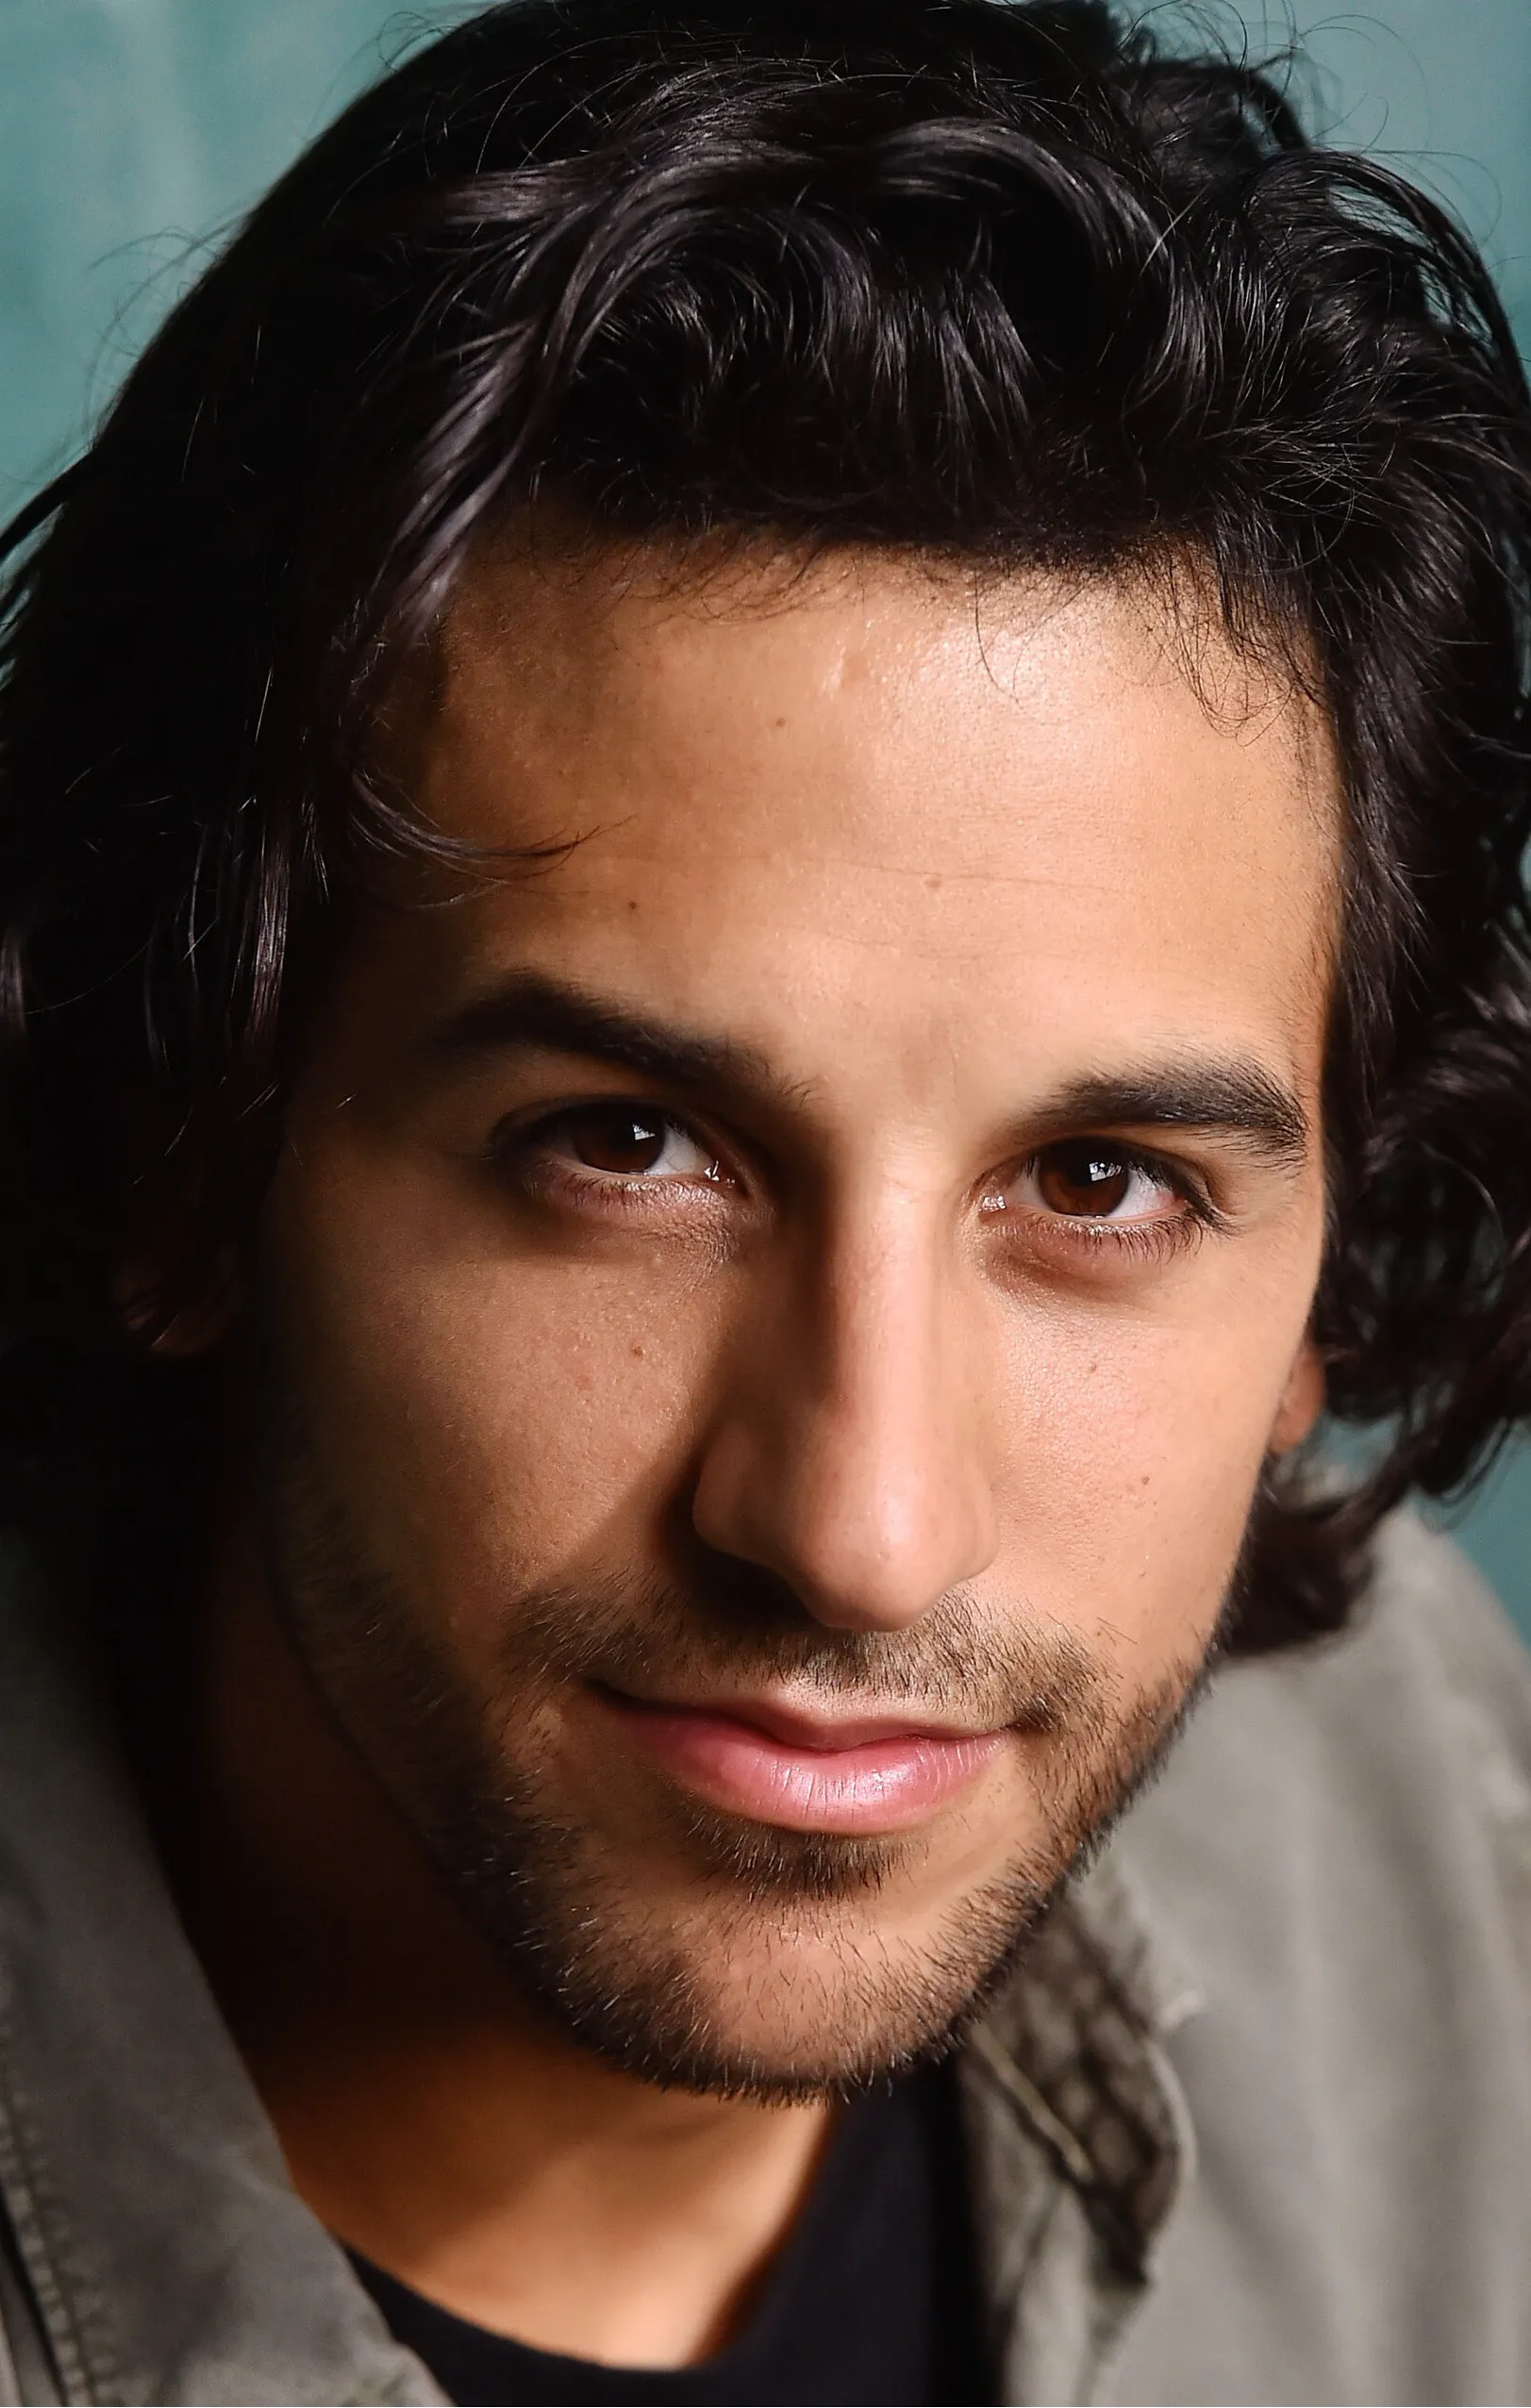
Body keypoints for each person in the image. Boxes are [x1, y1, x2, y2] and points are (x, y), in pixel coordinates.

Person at [2, 1, 1531, 2400]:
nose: (860, 1531)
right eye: (626, 1146)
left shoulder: (1409, 1806)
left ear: (1326, 1273)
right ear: (173, 1149)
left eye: (1100, 1182)